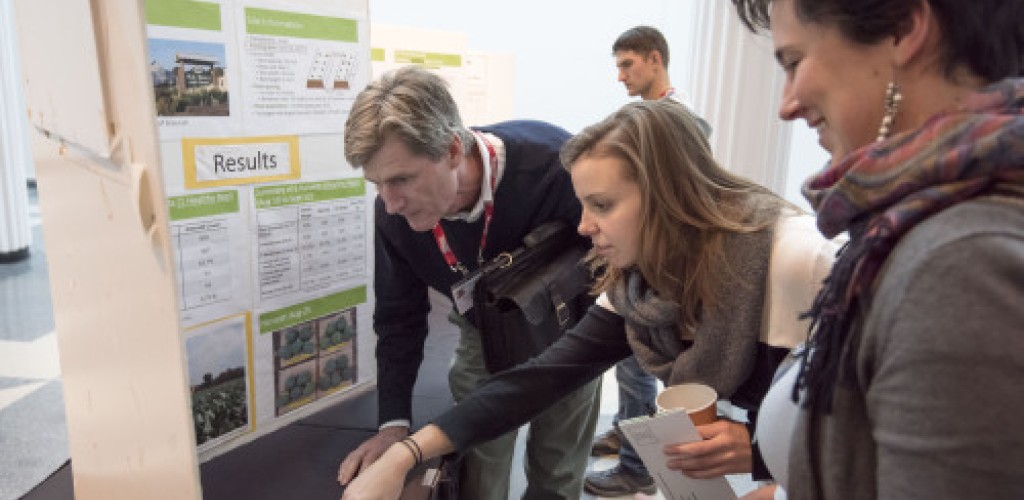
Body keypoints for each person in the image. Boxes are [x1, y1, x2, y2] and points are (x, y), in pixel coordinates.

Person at [339, 99, 839, 500]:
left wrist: (764, 459)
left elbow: (878, 427)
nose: (582, 226)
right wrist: (404, 453)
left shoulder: (800, 260)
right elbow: (536, 381)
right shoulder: (636, 289)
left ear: (669, 192)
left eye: (602, 205)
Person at [729, 0, 1024, 499]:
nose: (787, 103)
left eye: (794, 62)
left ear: (904, 28)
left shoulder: (956, 266)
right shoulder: (900, 229)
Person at [335, 66, 602, 500]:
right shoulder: (393, 216)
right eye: (377, 183)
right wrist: (393, 425)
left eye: (402, 179)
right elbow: (398, 318)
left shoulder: (556, 164)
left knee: (557, 467)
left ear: (453, 149)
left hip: (570, 329)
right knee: (477, 466)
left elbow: (611, 266)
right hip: (480, 327)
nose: (389, 202)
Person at [585, 24, 713, 498]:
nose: (620, 76)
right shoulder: (643, 119)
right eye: (617, 66)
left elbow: (678, 203)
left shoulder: (680, 124)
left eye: (627, 64)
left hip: (663, 269)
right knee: (631, 368)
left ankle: (638, 468)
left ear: (655, 59)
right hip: (640, 266)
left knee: (646, 368)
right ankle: (627, 435)